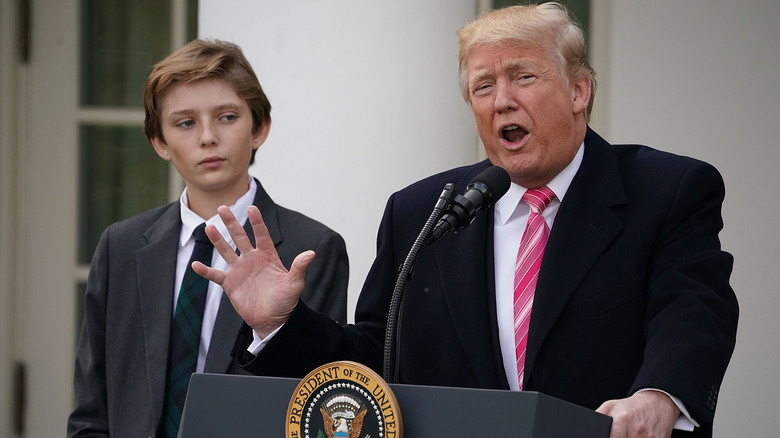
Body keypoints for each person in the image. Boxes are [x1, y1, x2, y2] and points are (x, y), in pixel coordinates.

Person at [195, 4, 738, 438]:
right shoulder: (422, 211)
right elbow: (375, 361)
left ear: (579, 91)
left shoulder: (666, 191)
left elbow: (693, 312)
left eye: (523, 76)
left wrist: (659, 395)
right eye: (483, 87)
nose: (502, 101)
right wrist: (280, 324)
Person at [67, 39, 349, 437]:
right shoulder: (120, 246)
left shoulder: (312, 247)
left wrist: (273, 328)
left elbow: (314, 400)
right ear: (160, 142)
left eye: (227, 117)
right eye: (185, 123)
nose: (207, 137)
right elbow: (91, 410)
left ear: (260, 127)